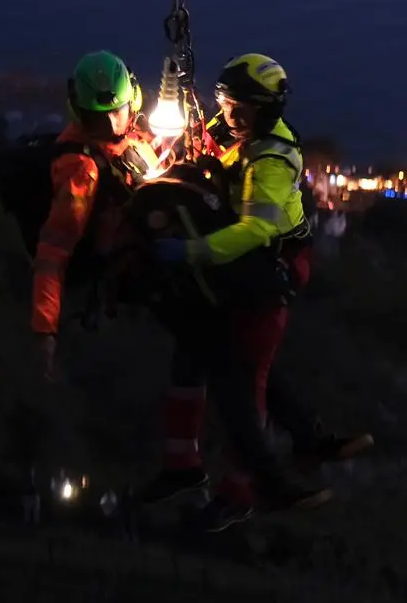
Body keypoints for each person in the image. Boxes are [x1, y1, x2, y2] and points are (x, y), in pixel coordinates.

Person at [139, 53, 371, 532]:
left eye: (236, 108)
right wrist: (176, 79)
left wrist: (190, 252)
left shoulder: (271, 159)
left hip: (271, 265)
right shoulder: (242, 132)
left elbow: (254, 231)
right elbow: (206, 136)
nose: (227, 115)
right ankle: (310, 440)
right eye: (225, 104)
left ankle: (243, 492)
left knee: (247, 387)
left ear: (260, 110)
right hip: (255, 268)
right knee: (241, 365)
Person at [31, 50, 159, 377]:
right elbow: (53, 251)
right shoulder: (81, 171)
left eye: (121, 112)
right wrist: (45, 331)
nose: (116, 124)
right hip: (131, 272)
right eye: (105, 118)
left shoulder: (123, 135)